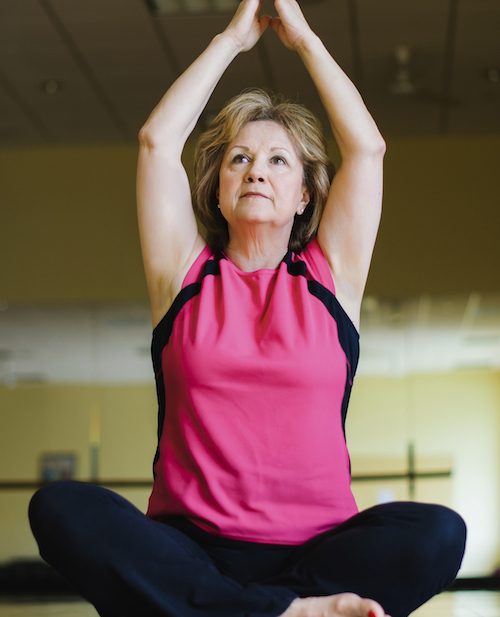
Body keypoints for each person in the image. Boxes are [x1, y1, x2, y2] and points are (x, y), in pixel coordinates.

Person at [29, 1, 466, 616]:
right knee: (59, 509)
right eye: (240, 158)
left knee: (439, 534)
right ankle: (285, 612)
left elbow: (366, 149)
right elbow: (158, 141)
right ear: (216, 185)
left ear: (306, 192)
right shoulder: (181, 273)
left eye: (277, 160)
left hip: (317, 552)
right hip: (191, 548)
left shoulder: (330, 275)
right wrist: (232, 37)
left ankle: (232, 610)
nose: (256, 171)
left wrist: (303, 38)